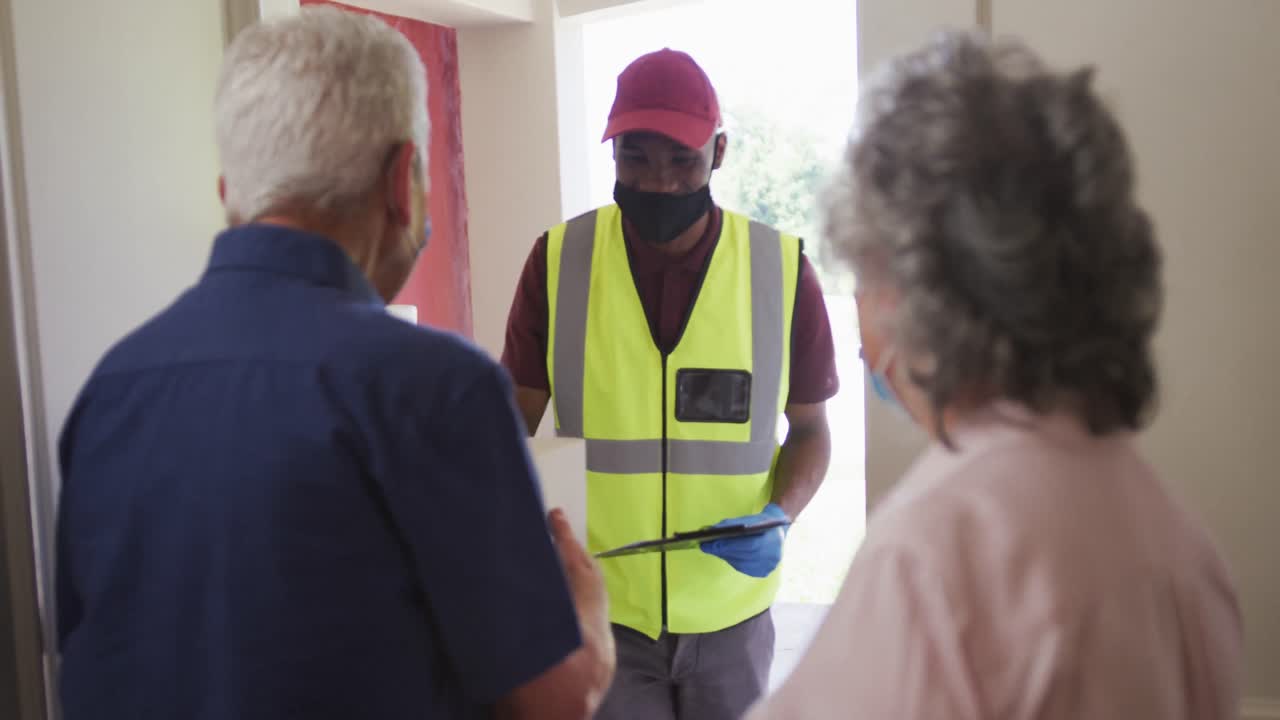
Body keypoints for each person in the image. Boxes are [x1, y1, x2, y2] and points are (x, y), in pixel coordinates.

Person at [55, 8, 613, 719]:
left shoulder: (111, 389)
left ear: (232, 195)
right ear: (401, 179)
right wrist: (588, 612)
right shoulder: (436, 387)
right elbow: (556, 700)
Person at [747, 31, 1243, 719]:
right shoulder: (1183, 550)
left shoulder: (937, 555)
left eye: (866, 275)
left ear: (925, 292)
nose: (861, 333)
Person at [501, 48, 837, 719]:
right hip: (603, 612)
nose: (657, 183)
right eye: (636, 157)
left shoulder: (781, 271)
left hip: (731, 618)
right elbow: (509, 431)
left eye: (682, 159)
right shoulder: (558, 263)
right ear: (614, 155)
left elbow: (809, 431)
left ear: (720, 152)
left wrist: (782, 514)